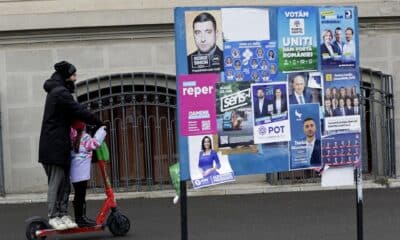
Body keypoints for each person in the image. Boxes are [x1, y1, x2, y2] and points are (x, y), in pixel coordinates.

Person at [39, 61, 103, 230]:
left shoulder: (59, 91)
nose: (75, 78)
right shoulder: (60, 93)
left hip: (61, 146)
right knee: (57, 182)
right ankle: (54, 215)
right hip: (53, 147)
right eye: (73, 75)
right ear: (66, 76)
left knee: (65, 183)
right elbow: (78, 110)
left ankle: (62, 214)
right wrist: (97, 121)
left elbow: (74, 117)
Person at [70, 121, 107, 227]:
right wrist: (102, 131)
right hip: (82, 173)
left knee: (78, 195)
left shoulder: (72, 137)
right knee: (81, 195)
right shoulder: (84, 137)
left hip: (74, 173)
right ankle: (80, 218)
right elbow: (95, 144)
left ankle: (79, 217)